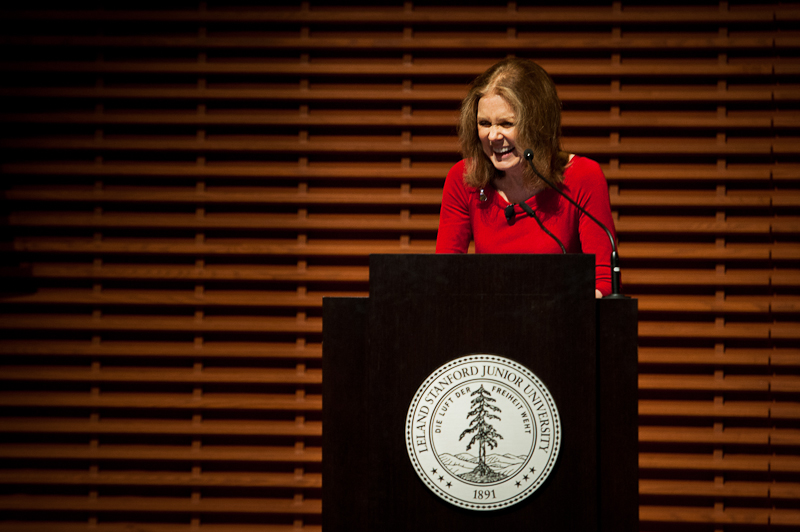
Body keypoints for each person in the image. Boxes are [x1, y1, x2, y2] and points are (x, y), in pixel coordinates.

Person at [435, 57, 617, 298]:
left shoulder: (583, 177)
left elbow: (603, 281)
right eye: (484, 123)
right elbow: (443, 277)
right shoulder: (464, 178)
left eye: (506, 123)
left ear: (537, 125)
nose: (493, 136)